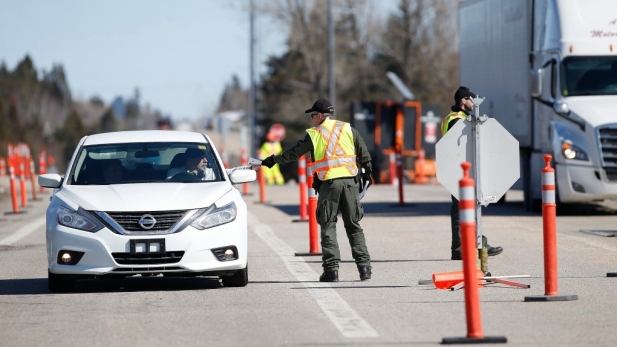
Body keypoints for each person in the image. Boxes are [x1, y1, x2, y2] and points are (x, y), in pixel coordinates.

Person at [261, 98, 373, 282]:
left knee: (328, 226)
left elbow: (293, 153)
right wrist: (368, 174)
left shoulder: (314, 134)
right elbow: (364, 152)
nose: (312, 119)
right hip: (350, 184)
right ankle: (365, 268)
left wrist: (272, 160)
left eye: (313, 115)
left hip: (329, 184)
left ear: (320, 115)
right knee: (354, 226)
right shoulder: (347, 129)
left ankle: (331, 271)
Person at [442, 86, 503, 260]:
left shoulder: (459, 118)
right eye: (471, 99)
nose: (473, 103)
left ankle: (467, 247)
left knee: (464, 209)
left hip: (459, 170)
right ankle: (472, 246)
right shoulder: (457, 120)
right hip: (460, 171)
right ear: (463, 100)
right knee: (465, 210)